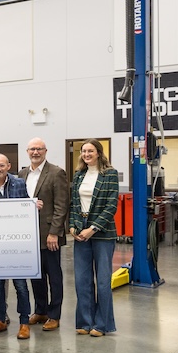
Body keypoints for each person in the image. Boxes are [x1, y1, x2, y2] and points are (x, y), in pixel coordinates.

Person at [69, 139, 119, 338]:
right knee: (82, 280)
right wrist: (73, 226)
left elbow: (111, 205)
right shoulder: (79, 174)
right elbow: (74, 204)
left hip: (103, 234)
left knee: (104, 281)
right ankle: (84, 322)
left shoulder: (110, 174)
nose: (87, 154)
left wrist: (93, 228)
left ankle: (101, 324)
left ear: (98, 153)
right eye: (84, 151)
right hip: (80, 234)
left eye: (90, 151)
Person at [18, 138, 69, 331]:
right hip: (28, 236)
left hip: (49, 235)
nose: (35, 152)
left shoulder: (56, 173)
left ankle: (54, 315)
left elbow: (61, 205)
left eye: (39, 149)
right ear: (27, 151)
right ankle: (41, 310)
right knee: (36, 275)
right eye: (32, 149)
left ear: (45, 151)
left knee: (53, 276)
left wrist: (54, 233)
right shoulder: (22, 174)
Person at [0, 154, 33, 340]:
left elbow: (26, 204)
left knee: (20, 285)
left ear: (8, 166)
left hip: (17, 242)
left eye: (1, 165)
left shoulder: (19, 183)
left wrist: (34, 205)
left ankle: (24, 322)